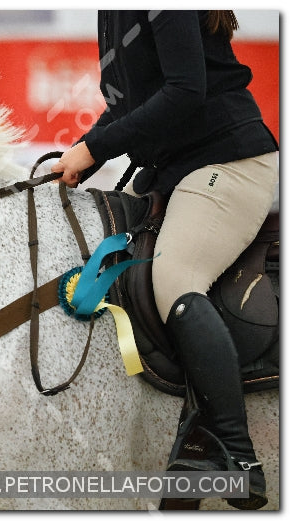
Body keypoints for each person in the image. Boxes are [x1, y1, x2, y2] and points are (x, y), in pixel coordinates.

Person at [51, 10, 278, 510]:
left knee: (174, 279)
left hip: (226, 162)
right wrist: (85, 150)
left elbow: (185, 91)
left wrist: (95, 147)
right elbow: (136, 104)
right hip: (173, 173)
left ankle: (237, 456)